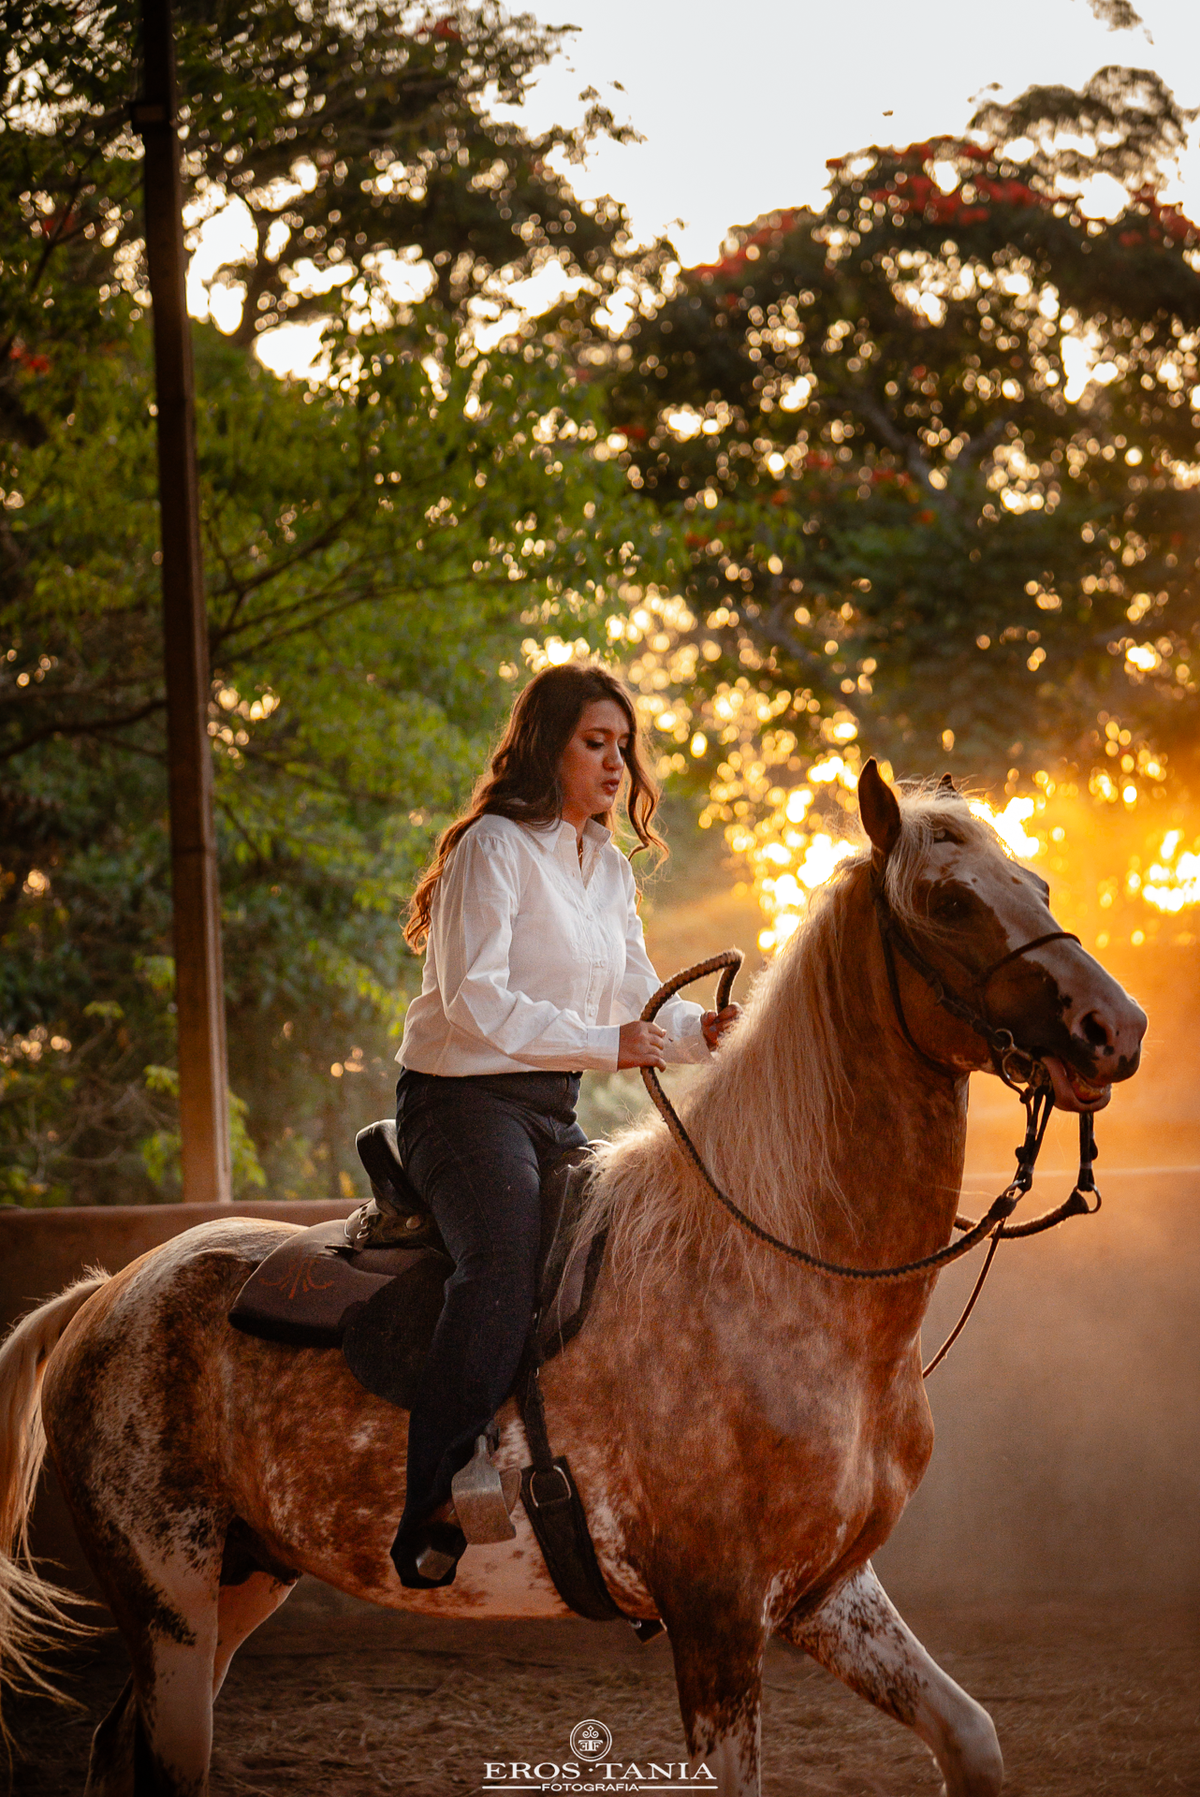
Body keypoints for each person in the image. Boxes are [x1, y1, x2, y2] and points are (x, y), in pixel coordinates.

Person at [390, 662, 739, 1587]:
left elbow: (636, 998)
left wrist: (702, 1035)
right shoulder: (494, 848)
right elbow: (474, 1005)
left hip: (549, 1110)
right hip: (458, 1102)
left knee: (623, 1256)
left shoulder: (608, 871)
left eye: (625, 746)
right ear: (548, 745)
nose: (618, 764)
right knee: (501, 1261)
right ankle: (431, 1499)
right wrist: (607, 1041)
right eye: (597, 743)